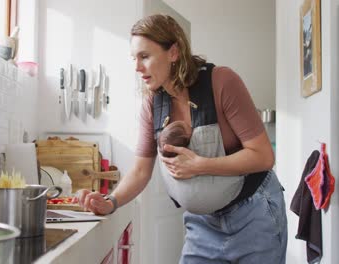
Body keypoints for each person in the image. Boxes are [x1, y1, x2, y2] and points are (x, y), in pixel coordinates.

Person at [73, 14, 287, 263]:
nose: (137, 67)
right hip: (203, 226)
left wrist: (201, 165)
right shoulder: (152, 105)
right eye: (134, 58)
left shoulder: (222, 82)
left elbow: (263, 156)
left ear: (173, 52)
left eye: (145, 56)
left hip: (253, 216)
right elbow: (141, 171)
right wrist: (111, 201)